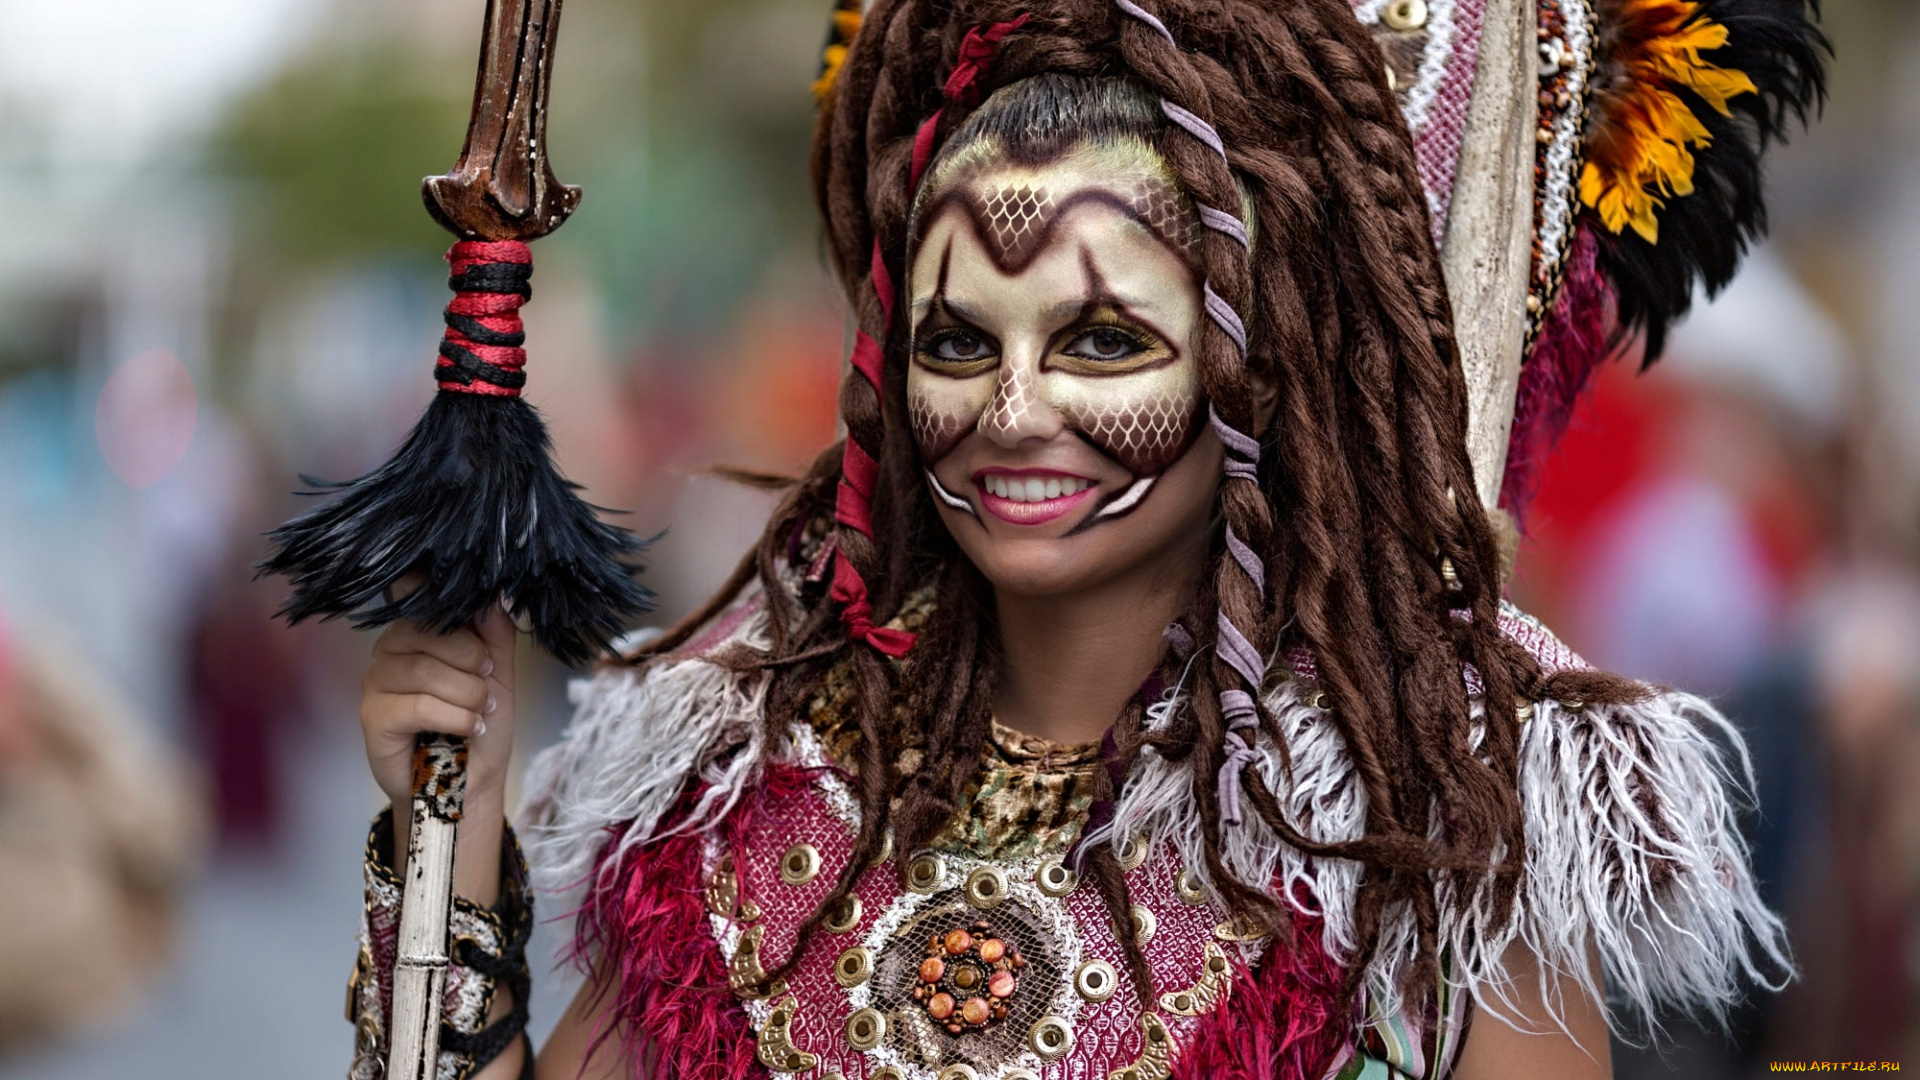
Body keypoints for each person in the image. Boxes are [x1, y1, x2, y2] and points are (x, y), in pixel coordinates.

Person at [341, 0, 1822, 1077]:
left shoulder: (1430, 860)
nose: (1012, 406)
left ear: (1261, 361)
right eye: (955, 339)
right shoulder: (734, 800)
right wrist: (449, 859)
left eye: (1105, 338)